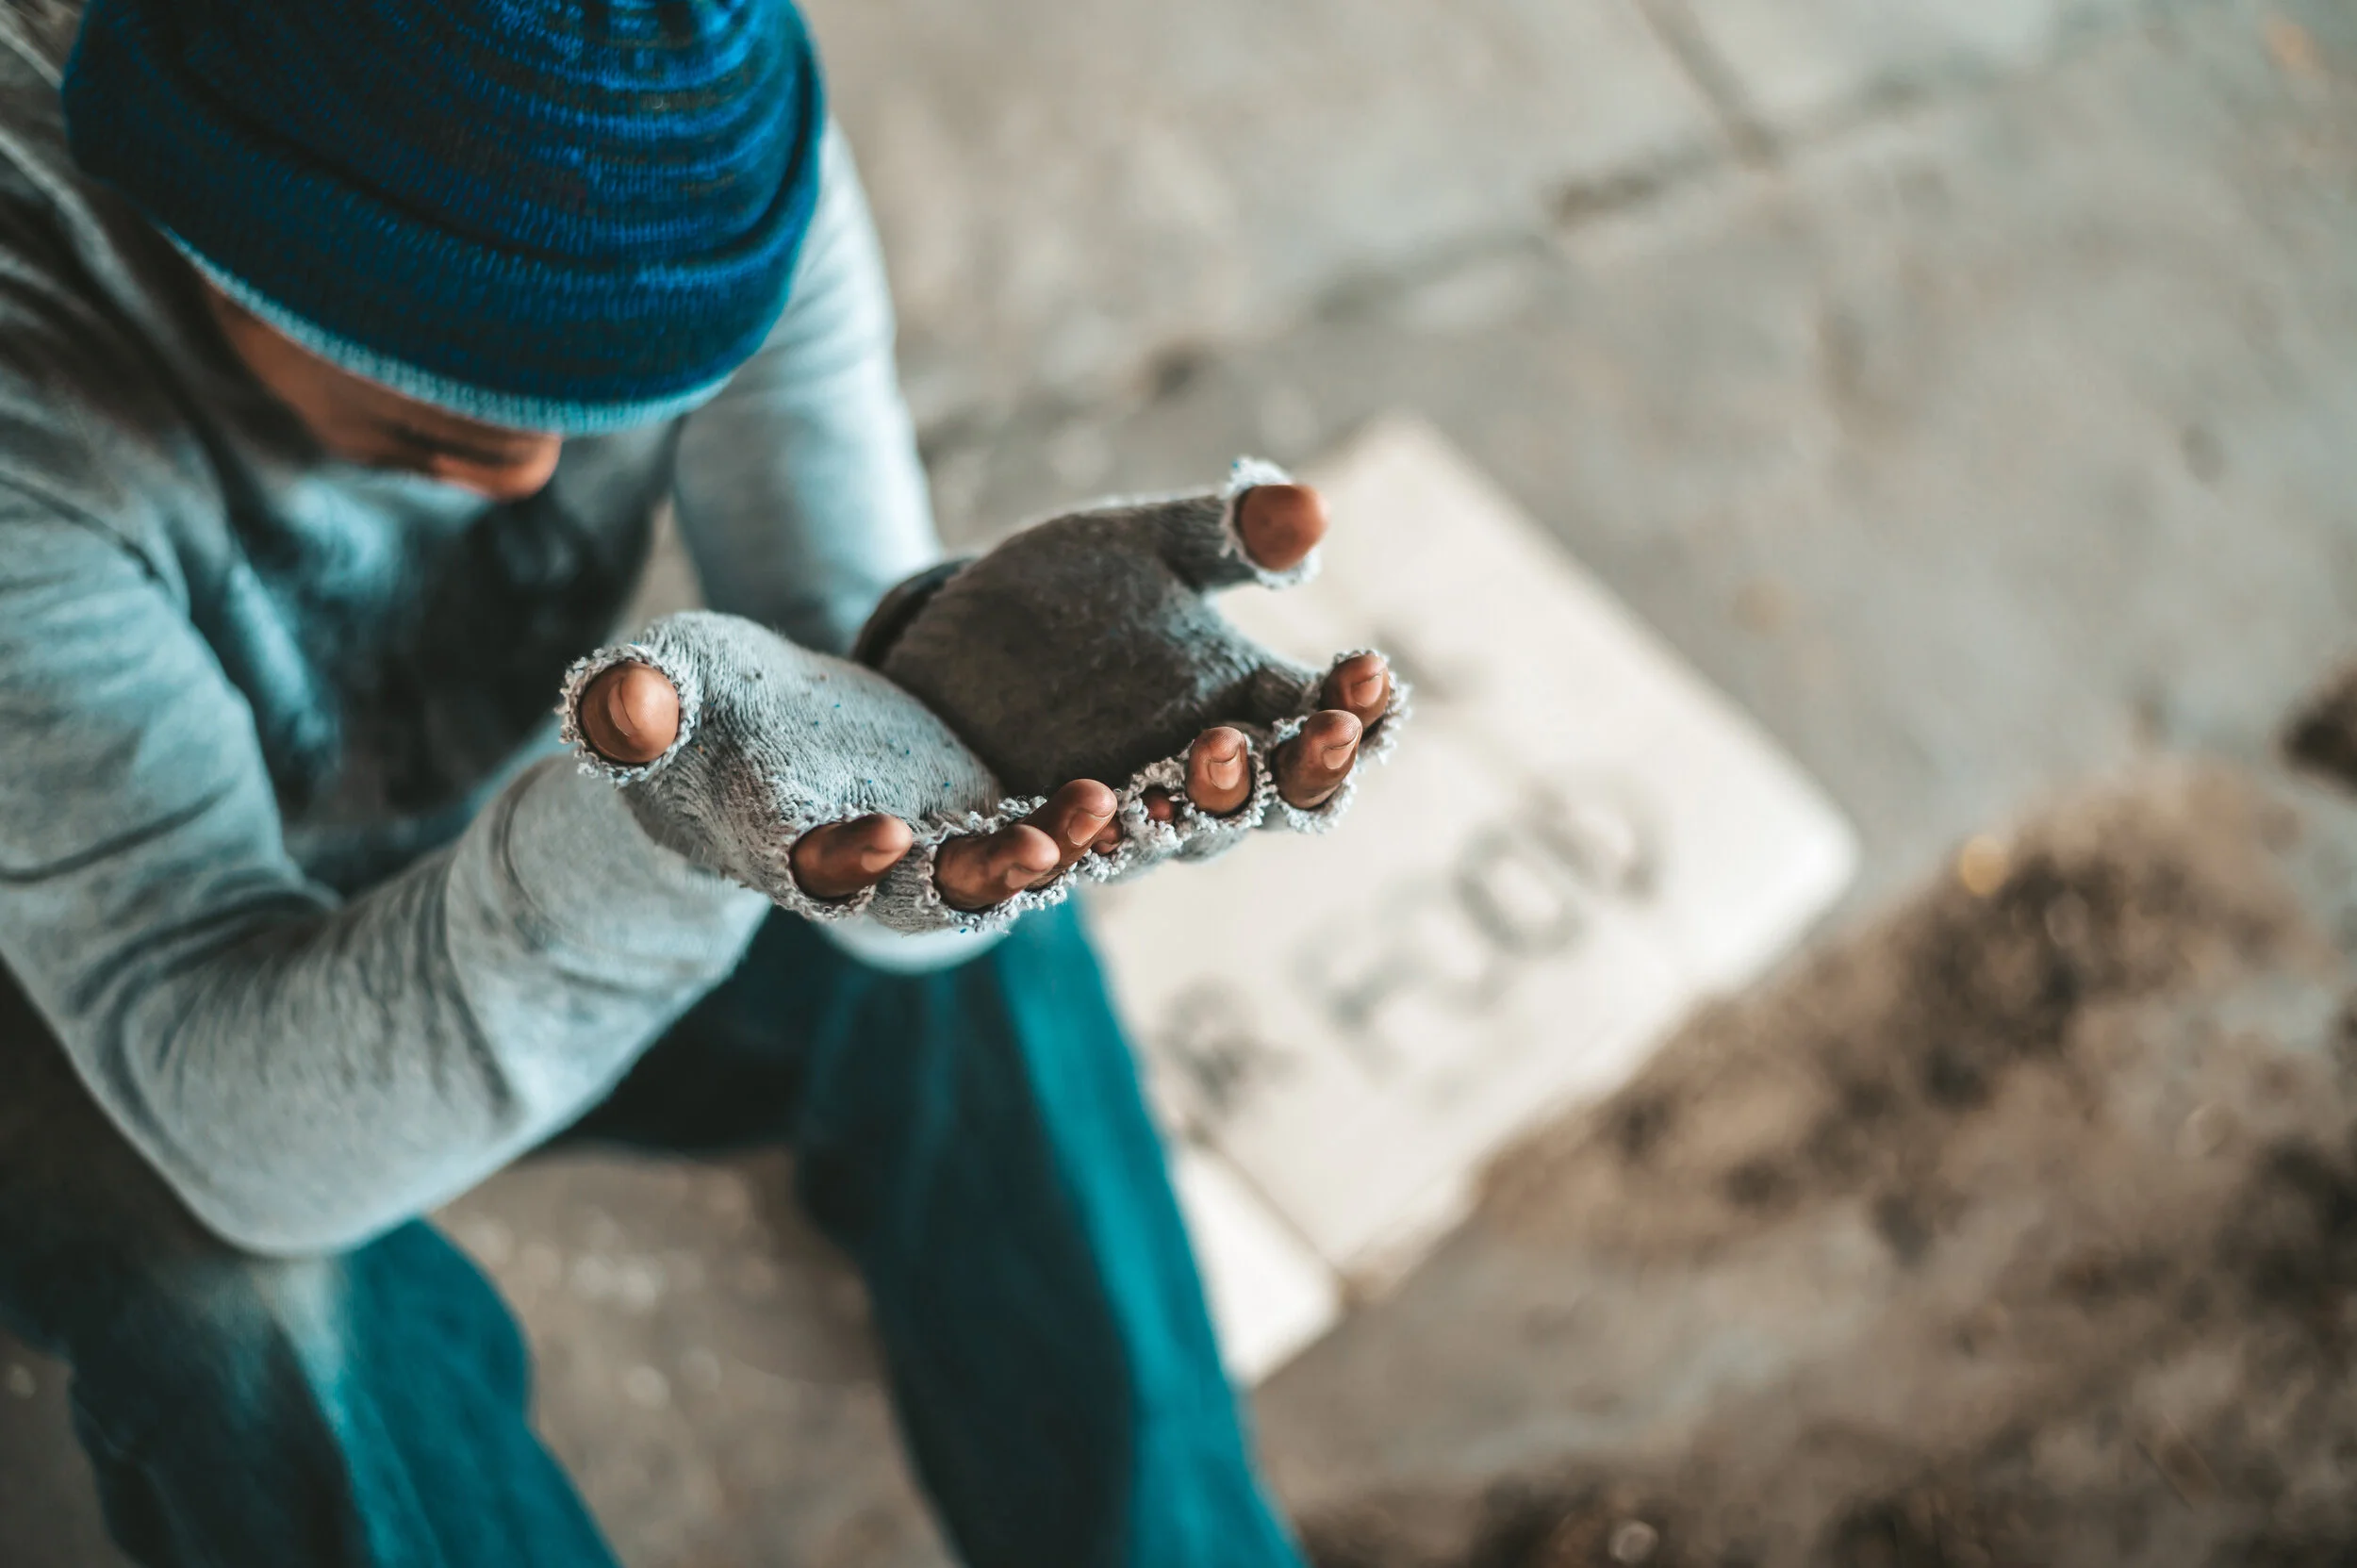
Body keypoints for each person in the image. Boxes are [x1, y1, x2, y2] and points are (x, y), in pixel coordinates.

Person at [0, 1, 1386, 1563]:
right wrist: (667, 828)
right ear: (196, 204)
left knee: (980, 850)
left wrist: (948, 703)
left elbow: (859, 755)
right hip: (68, 967)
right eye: (435, 417)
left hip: (456, 805)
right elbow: (246, 1127)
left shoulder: (708, 150)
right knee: (254, 1311)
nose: (527, 473)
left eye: (598, 406)